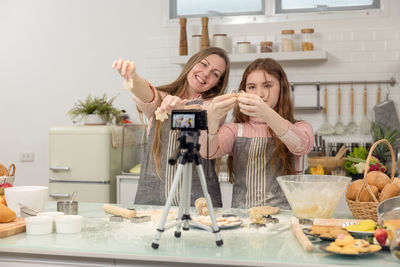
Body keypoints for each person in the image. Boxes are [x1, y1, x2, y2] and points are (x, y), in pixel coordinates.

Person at [112, 47, 233, 207]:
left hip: (200, 201)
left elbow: (202, 115)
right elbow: (147, 95)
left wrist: (181, 109)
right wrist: (133, 78)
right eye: (204, 64)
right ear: (192, 64)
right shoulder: (162, 96)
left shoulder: (215, 107)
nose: (206, 73)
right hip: (154, 197)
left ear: (217, 83)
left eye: (215, 73)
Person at [199, 58, 313, 209]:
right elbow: (207, 152)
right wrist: (212, 119)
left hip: (285, 219)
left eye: (267, 86)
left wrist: (266, 113)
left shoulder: (300, 127)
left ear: (282, 88)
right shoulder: (235, 129)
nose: (259, 94)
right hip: (243, 221)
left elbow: (301, 146)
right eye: (252, 87)